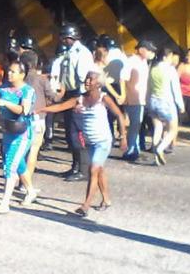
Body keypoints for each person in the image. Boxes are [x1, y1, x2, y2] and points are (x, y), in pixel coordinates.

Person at [42, 70, 128, 216]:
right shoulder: (80, 99)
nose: (88, 81)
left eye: (91, 79)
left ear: (99, 83)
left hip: (103, 142)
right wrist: (41, 109)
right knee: (99, 170)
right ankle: (106, 199)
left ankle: (86, 205)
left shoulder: (103, 98)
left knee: (93, 169)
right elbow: (60, 107)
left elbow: (119, 115)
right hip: (89, 142)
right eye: (87, 78)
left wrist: (123, 137)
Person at [0, 60, 37, 214]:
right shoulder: (3, 88)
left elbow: (23, 110)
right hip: (8, 131)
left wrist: (5, 103)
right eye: (8, 70)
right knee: (19, 163)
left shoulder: (27, 91)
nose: (9, 73)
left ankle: (5, 203)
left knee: (10, 165)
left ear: (22, 75)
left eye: (13, 72)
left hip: (22, 133)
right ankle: (31, 191)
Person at [56, 24, 95, 181]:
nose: (63, 41)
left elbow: (84, 78)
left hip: (78, 94)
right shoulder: (70, 52)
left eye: (64, 38)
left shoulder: (81, 53)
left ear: (69, 38)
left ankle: (83, 170)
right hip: (70, 93)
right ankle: (75, 166)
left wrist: (81, 99)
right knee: (70, 132)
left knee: (78, 133)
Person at [19, 49, 56, 204]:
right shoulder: (41, 79)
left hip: (20, 118)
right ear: (36, 63)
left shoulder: (19, 79)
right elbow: (52, 96)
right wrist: (61, 91)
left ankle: (22, 180)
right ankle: (26, 185)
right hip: (38, 119)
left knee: (21, 151)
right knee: (33, 151)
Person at [147, 46, 184, 166]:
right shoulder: (170, 70)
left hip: (153, 101)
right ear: (165, 57)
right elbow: (176, 89)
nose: (172, 59)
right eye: (170, 57)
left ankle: (155, 157)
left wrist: (147, 102)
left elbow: (149, 87)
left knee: (158, 127)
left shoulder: (153, 69)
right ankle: (160, 148)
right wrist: (180, 104)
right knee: (173, 129)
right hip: (166, 102)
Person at [121, 40, 155, 161]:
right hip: (133, 99)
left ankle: (134, 150)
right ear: (141, 49)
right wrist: (124, 96)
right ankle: (131, 151)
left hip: (141, 99)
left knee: (137, 125)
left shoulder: (144, 62)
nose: (151, 53)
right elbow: (123, 78)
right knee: (135, 125)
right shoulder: (131, 61)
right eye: (149, 50)